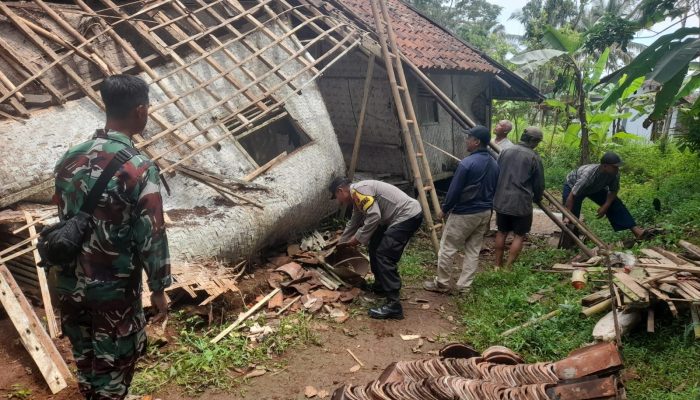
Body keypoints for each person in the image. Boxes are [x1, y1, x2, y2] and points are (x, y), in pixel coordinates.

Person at [53, 75, 171, 400]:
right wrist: (159, 288)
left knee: (88, 364)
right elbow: (152, 233)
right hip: (112, 292)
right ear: (141, 110)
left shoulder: (69, 158)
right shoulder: (139, 167)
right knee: (114, 370)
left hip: (68, 284)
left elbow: (64, 215)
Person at [331, 177, 423, 320]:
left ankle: (394, 305)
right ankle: (380, 285)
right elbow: (354, 222)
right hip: (395, 217)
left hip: (407, 215)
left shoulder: (359, 190)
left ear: (340, 191)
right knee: (374, 246)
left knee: (384, 255)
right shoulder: (357, 198)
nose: (339, 201)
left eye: (337, 197)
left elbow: (374, 216)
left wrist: (357, 239)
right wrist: (341, 243)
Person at [423, 125, 499, 294]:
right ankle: (464, 287)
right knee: (473, 250)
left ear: (476, 141)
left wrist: (444, 209)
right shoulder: (494, 163)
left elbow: (454, 190)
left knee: (448, 247)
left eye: (469, 138)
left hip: (465, 213)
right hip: (485, 212)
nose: (466, 141)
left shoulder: (467, 163)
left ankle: (441, 283)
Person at [563, 151, 649, 239]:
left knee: (615, 203)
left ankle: (637, 231)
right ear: (605, 166)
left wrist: (606, 206)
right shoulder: (588, 175)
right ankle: (571, 240)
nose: (617, 169)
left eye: (618, 167)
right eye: (615, 167)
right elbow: (572, 196)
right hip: (573, 186)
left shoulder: (614, 174)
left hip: (595, 187)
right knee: (571, 215)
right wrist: (567, 215)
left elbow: (613, 191)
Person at [493, 127, 545, 269]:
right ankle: (508, 267)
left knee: (501, 232)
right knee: (519, 235)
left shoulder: (505, 151)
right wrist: (538, 197)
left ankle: (497, 265)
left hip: (502, 200)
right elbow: (539, 184)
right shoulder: (534, 156)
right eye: (537, 142)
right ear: (533, 141)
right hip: (520, 203)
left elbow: (497, 172)